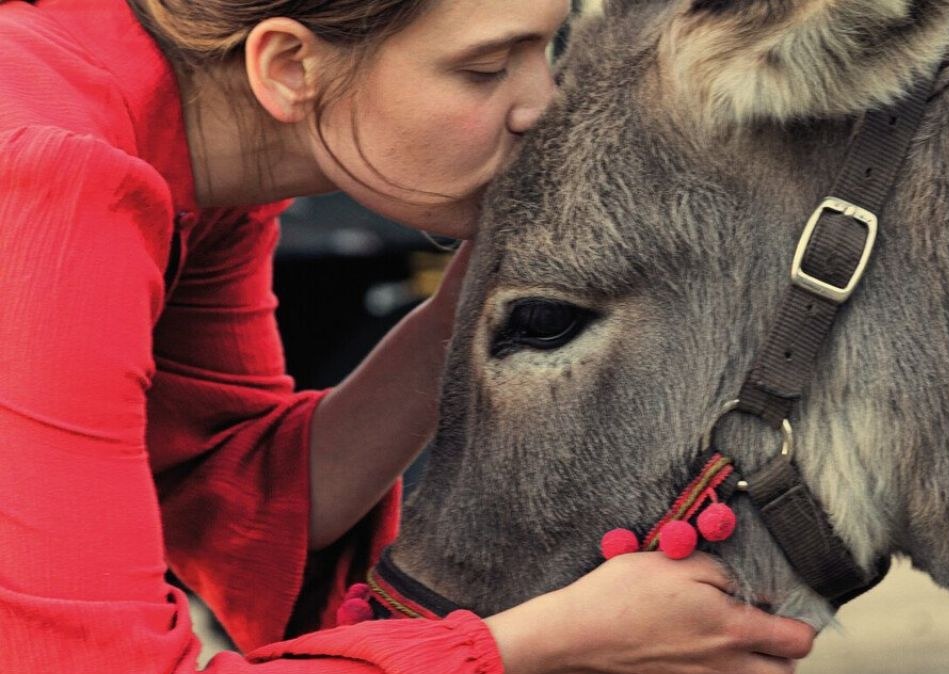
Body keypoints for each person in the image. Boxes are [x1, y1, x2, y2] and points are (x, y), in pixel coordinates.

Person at [0, 1, 817, 673]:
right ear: (287, 67)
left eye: (549, 47)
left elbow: (228, 493)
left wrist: (482, 297)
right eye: (487, 69)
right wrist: (545, 640)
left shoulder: (187, 154)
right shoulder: (44, 187)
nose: (544, 108)